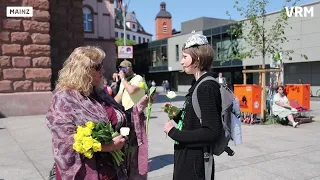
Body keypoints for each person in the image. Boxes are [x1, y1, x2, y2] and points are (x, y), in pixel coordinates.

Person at [46, 46, 153, 180]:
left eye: (102, 65)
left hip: (113, 171)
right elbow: (65, 142)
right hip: (86, 173)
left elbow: (120, 117)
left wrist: (139, 107)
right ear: (83, 70)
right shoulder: (64, 98)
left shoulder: (99, 92)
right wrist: (107, 146)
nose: (103, 70)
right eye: (98, 67)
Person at [163, 32, 222, 180]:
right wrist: (177, 114)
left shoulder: (206, 87)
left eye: (185, 57)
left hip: (195, 163)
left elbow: (211, 132)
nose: (181, 62)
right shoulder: (198, 84)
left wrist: (174, 133)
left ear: (197, 59)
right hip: (189, 158)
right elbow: (195, 121)